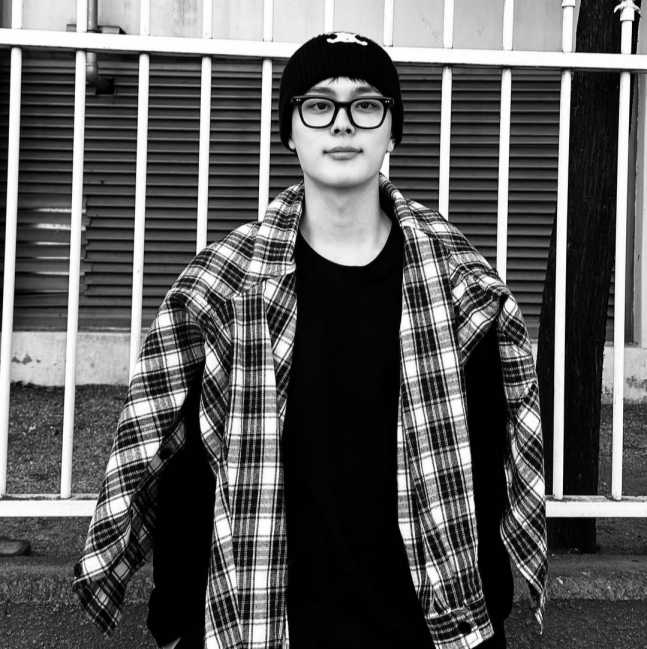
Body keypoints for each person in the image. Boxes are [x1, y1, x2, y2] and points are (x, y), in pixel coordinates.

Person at [72, 31, 548, 649]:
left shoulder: (462, 289)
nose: (342, 124)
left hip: (425, 630)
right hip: (261, 620)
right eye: (319, 104)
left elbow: (482, 463)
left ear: (393, 131)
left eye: (366, 105)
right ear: (290, 131)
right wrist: (176, 621)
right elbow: (187, 469)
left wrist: (487, 617)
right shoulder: (222, 287)